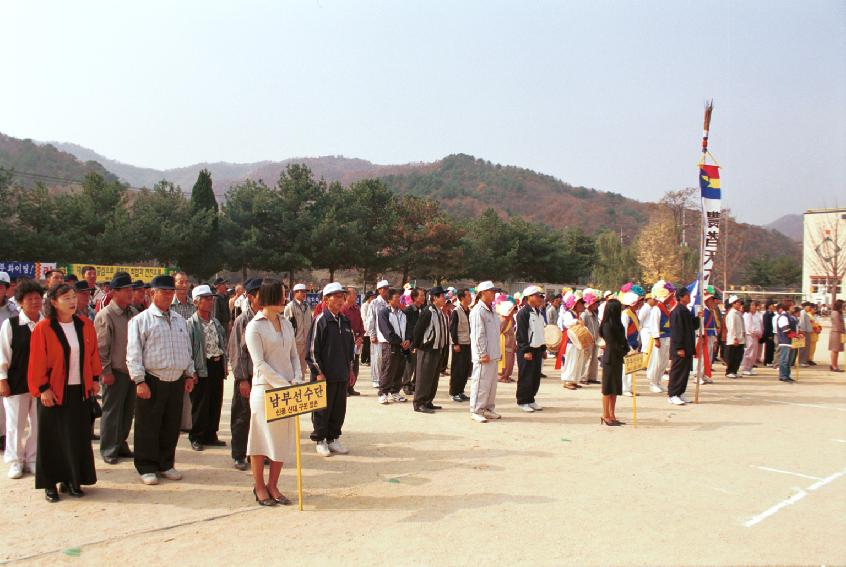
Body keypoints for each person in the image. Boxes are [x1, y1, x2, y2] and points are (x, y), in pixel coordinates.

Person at [28, 283, 101, 502]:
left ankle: (72, 480)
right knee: (52, 439)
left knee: (77, 437)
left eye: (73, 297)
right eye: (66, 298)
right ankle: (50, 484)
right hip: (53, 391)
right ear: (53, 302)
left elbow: (92, 355)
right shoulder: (44, 328)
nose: (72, 301)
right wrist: (43, 388)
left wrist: (95, 379)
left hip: (79, 390)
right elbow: (37, 361)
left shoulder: (85, 325)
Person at [126, 275, 197, 486]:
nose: (167, 295)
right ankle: (146, 466)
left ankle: (166, 463)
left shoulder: (179, 321)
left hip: (176, 380)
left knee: (170, 424)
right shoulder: (140, 321)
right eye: (163, 291)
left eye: (170, 292)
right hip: (152, 379)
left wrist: (189, 373)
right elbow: (133, 353)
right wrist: (139, 381)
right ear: (151, 293)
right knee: (148, 425)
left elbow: (187, 349)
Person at [245, 279, 301, 505]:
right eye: (281, 294)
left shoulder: (286, 323)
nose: (284, 298)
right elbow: (259, 363)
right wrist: (282, 384)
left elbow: (294, 355)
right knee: (260, 439)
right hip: (265, 390)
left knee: (282, 440)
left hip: (288, 389)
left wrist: (296, 379)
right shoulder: (254, 327)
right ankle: (259, 486)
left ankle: (273, 484)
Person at [307, 282, 355, 457]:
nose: (341, 300)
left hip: (341, 373)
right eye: (336, 296)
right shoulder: (321, 320)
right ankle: (320, 439)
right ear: (326, 299)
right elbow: (312, 350)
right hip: (324, 375)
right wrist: (318, 372)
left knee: (338, 408)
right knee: (321, 409)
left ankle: (333, 438)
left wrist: (350, 369)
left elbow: (350, 349)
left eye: (342, 296)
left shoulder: (345, 321)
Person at [0, 279, 42, 479]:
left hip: (42, 384)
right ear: (20, 302)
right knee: (15, 424)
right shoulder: (11, 324)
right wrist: (2, 379)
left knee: (38, 422)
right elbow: (3, 354)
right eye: (30, 298)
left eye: (38, 298)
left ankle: (33, 458)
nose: (35, 302)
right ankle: (15, 461)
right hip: (16, 381)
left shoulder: (46, 324)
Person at [94, 274, 136, 465]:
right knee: (112, 412)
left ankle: (121, 443)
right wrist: (105, 371)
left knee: (127, 412)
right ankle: (109, 448)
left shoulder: (133, 313)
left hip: (132, 372)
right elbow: (102, 348)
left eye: (131, 289)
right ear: (114, 292)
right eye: (126, 290)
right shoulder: (106, 315)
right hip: (115, 372)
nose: (131, 293)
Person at [186, 285, 228, 452]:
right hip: (201, 366)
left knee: (215, 400)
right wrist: (192, 371)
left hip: (216, 364)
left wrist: (224, 365)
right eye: (206, 299)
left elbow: (221, 343)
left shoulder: (215, 322)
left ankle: (211, 434)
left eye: (211, 298)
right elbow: (188, 349)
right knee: (200, 402)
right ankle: (196, 436)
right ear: (197, 302)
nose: (210, 302)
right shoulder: (191, 324)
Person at [228, 278, 262, 470]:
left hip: (261, 378)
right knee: (242, 416)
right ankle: (239, 454)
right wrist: (241, 379)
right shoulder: (243, 320)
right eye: (260, 294)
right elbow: (236, 353)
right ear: (250, 297)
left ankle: (255, 454)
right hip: (247, 377)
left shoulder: (267, 318)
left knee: (260, 418)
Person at [469, 281, 502, 423]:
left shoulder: (492, 310)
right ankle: (476, 410)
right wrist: (482, 353)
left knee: (491, 385)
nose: (494, 293)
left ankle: (488, 408)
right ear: (483, 293)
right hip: (483, 355)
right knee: (481, 383)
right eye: (491, 291)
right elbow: (478, 334)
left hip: (493, 353)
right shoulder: (478, 310)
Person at [412, 286, 449, 414]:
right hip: (427, 349)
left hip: (437, 349)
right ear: (435, 298)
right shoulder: (428, 311)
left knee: (433, 378)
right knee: (424, 377)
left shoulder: (440, 311)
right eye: (442, 296)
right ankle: (419, 403)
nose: (445, 298)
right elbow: (418, 329)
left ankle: (428, 401)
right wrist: (416, 346)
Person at [515, 286, 546, 412]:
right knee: (525, 376)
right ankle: (522, 401)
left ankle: (531, 399)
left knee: (535, 376)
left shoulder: (538, 312)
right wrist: (526, 350)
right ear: (530, 297)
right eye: (538, 295)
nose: (540, 298)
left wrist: (543, 348)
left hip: (537, 349)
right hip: (527, 350)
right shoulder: (523, 313)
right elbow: (521, 334)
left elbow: (540, 331)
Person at [667, 287, 700, 405]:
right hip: (680, 347)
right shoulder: (677, 311)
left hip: (688, 346)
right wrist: (679, 348)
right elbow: (677, 331)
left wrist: (697, 319)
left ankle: (680, 392)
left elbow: (692, 327)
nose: (689, 297)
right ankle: (672, 394)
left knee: (685, 371)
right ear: (681, 297)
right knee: (677, 371)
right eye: (687, 295)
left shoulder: (685, 310)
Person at [376, 289, 409, 404]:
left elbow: (408, 328)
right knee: (388, 369)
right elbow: (387, 331)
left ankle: (395, 391)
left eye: (399, 298)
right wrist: (400, 341)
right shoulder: (384, 313)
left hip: (403, 345)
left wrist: (408, 340)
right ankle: (383, 393)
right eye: (396, 298)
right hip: (390, 345)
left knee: (400, 369)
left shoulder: (403, 313)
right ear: (389, 300)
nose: (399, 300)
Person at [599, 298, 626, 425]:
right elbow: (612, 343)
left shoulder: (619, 325)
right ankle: (605, 414)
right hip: (610, 357)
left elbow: (623, 341)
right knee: (607, 388)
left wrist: (627, 350)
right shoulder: (607, 325)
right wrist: (622, 349)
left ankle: (612, 414)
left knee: (615, 388)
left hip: (618, 358)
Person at [645, 281, 674, 394]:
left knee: (664, 361)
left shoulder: (666, 307)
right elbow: (654, 324)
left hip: (667, 337)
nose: (671, 297)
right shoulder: (657, 308)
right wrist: (656, 338)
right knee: (656, 361)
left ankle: (658, 381)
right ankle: (652, 382)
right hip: (660, 338)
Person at [558, 292, 587, 390]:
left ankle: (574, 380)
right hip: (570, 341)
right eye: (581, 302)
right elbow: (567, 323)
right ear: (575, 304)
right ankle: (567, 380)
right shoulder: (568, 313)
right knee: (571, 360)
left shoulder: (578, 315)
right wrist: (576, 321)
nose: (583, 304)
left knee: (578, 361)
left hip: (578, 341)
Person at [449, 289, 473, 402]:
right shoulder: (456, 311)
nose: (470, 297)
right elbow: (453, 329)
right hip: (460, 344)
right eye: (468, 295)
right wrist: (455, 343)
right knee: (457, 369)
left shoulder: (470, 310)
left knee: (466, 369)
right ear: (462, 298)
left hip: (468, 343)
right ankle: (454, 392)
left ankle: (461, 391)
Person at [283, 283, 312, 376]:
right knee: (293, 367)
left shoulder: (307, 307)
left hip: (305, 341)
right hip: (295, 342)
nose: (304, 294)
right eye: (302, 292)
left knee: (303, 368)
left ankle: (301, 386)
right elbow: (286, 325)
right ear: (295, 293)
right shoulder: (290, 306)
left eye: (305, 292)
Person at [366, 280, 391, 388]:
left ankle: (385, 378)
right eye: (384, 289)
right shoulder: (374, 303)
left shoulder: (390, 302)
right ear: (379, 290)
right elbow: (371, 319)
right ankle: (376, 379)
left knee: (387, 358)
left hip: (388, 335)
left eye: (387, 288)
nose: (386, 291)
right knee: (377, 357)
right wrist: (372, 334)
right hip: (378, 334)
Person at [342, 286, 365, 396]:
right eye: (353, 294)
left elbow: (361, 324)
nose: (355, 296)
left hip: (357, 341)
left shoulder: (356, 309)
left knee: (355, 364)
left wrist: (360, 336)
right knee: (347, 365)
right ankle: (345, 388)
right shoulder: (343, 309)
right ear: (346, 296)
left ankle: (351, 387)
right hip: (347, 341)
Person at [402, 288, 425, 396]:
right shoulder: (408, 311)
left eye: (424, 295)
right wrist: (411, 340)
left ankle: (415, 384)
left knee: (419, 364)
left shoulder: (424, 309)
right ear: (415, 297)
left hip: (421, 341)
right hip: (411, 341)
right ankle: (406, 384)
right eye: (421, 295)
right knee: (410, 363)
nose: (423, 297)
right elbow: (407, 327)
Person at [580, 290, 601, 385]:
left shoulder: (595, 314)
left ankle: (592, 377)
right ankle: (583, 377)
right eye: (595, 303)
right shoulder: (584, 314)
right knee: (586, 359)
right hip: (587, 340)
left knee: (594, 359)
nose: (596, 305)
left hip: (595, 339)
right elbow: (582, 327)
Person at [775, 302, 798, 382]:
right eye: (792, 305)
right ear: (788, 307)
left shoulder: (790, 316)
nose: (794, 307)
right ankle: (783, 375)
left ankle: (787, 375)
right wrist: (795, 335)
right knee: (784, 359)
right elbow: (786, 330)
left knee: (789, 360)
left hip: (791, 341)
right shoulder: (783, 317)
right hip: (785, 341)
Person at [497, 298, 518, 383]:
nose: (513, 312)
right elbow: (497, 334)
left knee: (510, 361)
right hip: (504, 344)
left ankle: (507, 375)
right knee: (505, 362)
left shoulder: (511, 319)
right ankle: (502, 376)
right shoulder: (502, 320)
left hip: (510, 343)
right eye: (511, 310)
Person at [724, 295, 745, 378]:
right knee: (732, 356)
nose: (740, 304)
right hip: (734, 339)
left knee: (738, 357)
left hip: (740, 338)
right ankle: (729, 371)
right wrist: (734, 338)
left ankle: (735, 371)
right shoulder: (732, 314)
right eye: (738, 302)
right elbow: (731, 327)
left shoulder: (738, 313)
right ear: (733, 304)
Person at [741, 301, 763, 375]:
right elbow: (749, 328)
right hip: (749, 336)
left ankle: (750, 367)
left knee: (754, 353)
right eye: (752, 305)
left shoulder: (756, 315)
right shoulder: (747, 315)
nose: (754, 307)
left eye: (754, 305)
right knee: (749, 352)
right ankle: (745, 368)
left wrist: (760, 333)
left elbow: (760, 325)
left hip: (756, 336)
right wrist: (756, 332)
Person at [828, 299, 844, 372]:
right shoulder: (835, 313)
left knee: (836, 350)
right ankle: (834, 366)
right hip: (836, 333)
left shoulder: (839, 312)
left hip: (839, 332)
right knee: (835, 350)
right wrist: (843, 331)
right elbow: (838, 324)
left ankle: (834, 365)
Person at [797, 302, 814, 367]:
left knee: (807, 347)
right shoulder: (802, 313)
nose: (810, 308)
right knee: (803, 347)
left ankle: (804, 360)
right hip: (804, 332)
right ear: (805, 306)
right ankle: (801, 361)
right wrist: (802, 331)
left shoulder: (805, 313)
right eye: (809, 307)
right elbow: (802, 323)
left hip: (807, 332)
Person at [360, 292, 375, 366]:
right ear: (368, 297)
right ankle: (363, 359)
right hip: (366, 328)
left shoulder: (372, 305)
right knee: (366, 346)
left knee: (370, 346)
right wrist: (367, 328)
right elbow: (364, 318)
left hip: (372, 328)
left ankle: (369, 359)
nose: (373, 299)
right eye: (372, 297)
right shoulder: (364, 306)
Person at [762, 301, 777, 366]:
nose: (773, 306)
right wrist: (769, 335)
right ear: (768, 306)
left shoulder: (773, 314)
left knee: (772, 348)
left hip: (773, 333)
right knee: (768, 348)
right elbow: (766, 325)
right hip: (768, 334)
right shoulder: (766, 315)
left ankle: (770, 360)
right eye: (772, 305)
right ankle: (767, 361)